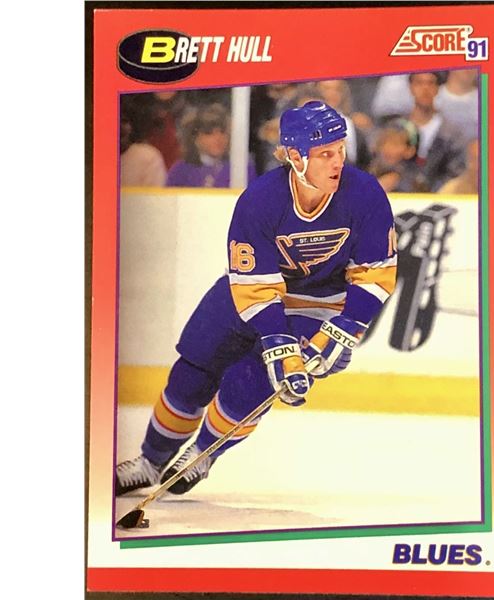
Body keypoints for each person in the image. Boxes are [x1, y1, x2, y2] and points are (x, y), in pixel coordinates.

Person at [115, 101, 398, 497]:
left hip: (317, 304)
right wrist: (279, 342)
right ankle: (150, 460)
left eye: (340, 150)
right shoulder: (260, 200)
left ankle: (201, 453)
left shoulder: (365, 194)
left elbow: (375, 272)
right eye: (325, 154)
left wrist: (345, 328)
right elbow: (255, 286)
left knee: (251, 385)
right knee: (192, 372)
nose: (338, 162)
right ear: (295, 156)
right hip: (249, 293)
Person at [166, 104, 257, 188]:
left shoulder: (242, 169)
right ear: (195, 138)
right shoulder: (180, 171)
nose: (218, 138)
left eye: (222, 132)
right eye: (209, 133)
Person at [406, 72, 465, 192]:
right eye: (419, 83)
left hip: (440, 196)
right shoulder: (398, 127)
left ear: (437, 89)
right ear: (411, 88)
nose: (425, 88)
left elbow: (455, 171)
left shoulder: (452, 133)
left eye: (430, 83)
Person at [368, 118, 425, 193]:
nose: (387, 148)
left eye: (395, 144)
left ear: (410, 151)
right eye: (384, 142)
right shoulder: (369, 171)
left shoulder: (416, 181)